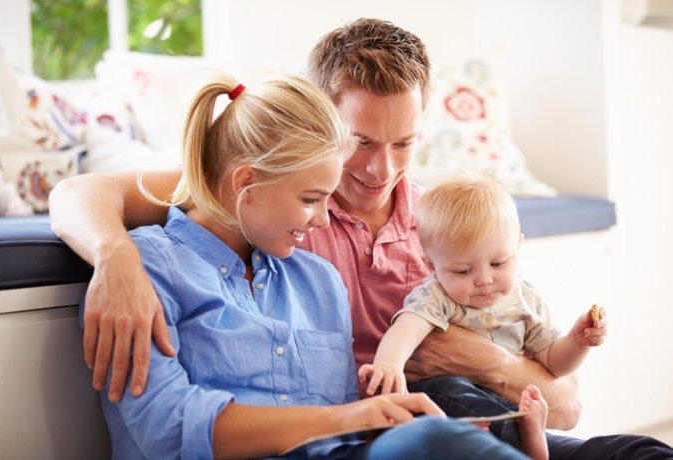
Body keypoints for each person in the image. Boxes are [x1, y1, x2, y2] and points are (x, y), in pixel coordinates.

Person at [49, 18, 673, 459]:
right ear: (321, 125)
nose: (381, 169)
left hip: (438, 415)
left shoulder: (440, 223)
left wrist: (481, 361)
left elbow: (562, 403)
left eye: (403, 143)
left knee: (633, 450)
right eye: (360, 143)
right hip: (386, 429)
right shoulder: (257, 203)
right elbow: (82, 191)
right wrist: (115, 255)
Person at [89, 70, 527, 459]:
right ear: (246, 183)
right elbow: (167, 430)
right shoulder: (148, 268)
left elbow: (346, 436)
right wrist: (348, 420)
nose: (321, 218)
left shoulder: (317, 281)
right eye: (311, 199)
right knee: (432, 442)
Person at [359, 177, 610, 459]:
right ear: (432, 265)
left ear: (518, 246)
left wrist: (578, 342)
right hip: (444, 400)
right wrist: (389, 364)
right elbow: (408, 327)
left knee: (631, 448)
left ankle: (528, 438)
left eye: (498, 264)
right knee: (453, 389)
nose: (485, 280)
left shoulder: (524, 300)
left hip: (501, 402)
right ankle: (526, 443)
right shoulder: (437, 296)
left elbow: (554, 362)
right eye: (463, 271)